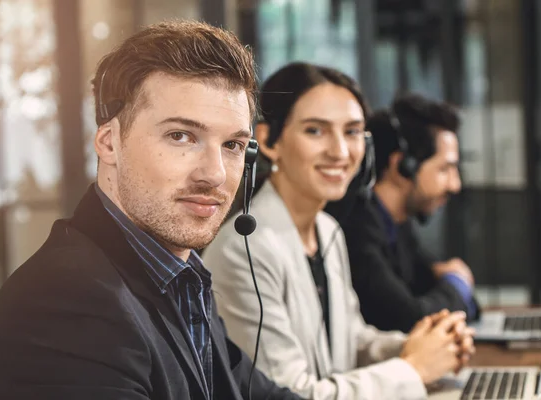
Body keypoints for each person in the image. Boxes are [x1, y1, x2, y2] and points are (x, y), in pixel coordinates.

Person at [0, 21, 302, 400]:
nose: (215, 174)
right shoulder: (67, 299)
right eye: (181, 136)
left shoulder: (179, 277)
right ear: (109, 143)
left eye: (233, 145)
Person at [202, 63, 475, 400]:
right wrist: (414, 368)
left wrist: (426, 346)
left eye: (352, 132)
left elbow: (353, 342)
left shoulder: (327, 229)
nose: (341, 152)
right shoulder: (243, 251)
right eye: (315, 131)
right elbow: (293, 394)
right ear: (270, 140)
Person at [325, 93, 479, 334]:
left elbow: (441, 295)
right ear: (403, 166)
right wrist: (457, 283)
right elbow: (411, 319)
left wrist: (450, 284)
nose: (455, 184)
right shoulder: (356, 230)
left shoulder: (397, 224)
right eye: (445, 169)